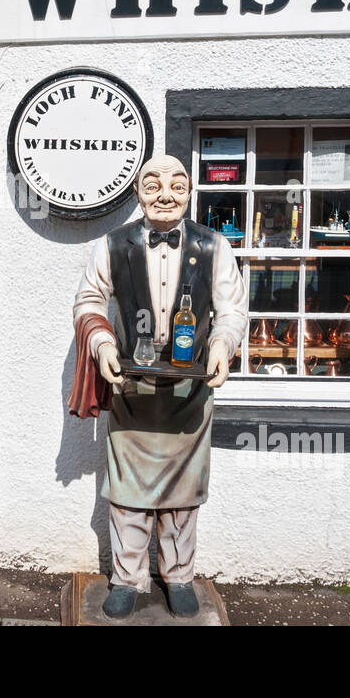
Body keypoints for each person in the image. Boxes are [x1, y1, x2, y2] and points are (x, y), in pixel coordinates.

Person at [71, 155, 248, 618]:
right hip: (133, 386)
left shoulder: (215, 247)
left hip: (190, 392)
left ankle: (178, 576)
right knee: (128, 491)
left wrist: (223, 343)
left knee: (182, 494)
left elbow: (232, 309)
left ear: (190, 192)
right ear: (137, 194)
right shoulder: (113, 245)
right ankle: (127, 579)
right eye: (152, 185)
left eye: (176, 185)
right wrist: (103, 343)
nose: (165, 194)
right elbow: (90, 298)